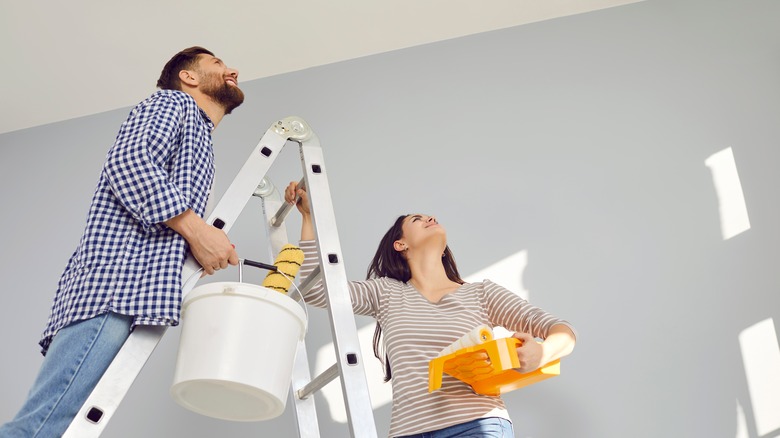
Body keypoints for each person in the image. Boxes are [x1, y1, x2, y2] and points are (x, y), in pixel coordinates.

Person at [0, 46, 243, 438]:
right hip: (115, 288)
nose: (232, 70)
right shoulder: (172, 105)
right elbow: (128, 162)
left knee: (58, 427)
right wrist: (199, 233)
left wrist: (206, 243)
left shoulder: (200, 140)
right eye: (217, 63)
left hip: (130, 293)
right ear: (189, 77)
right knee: (42, 428)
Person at [284, 181, 576, 438]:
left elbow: (563, 331)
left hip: (476, 425)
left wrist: (543, 353)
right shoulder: (385, 292)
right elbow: (316, 291)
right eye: (417, 219)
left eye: (431, 217)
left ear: (445, 249)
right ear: (400, 244)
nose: (430, 218)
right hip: (406, 431)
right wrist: (308, 217)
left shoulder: (481, 294)